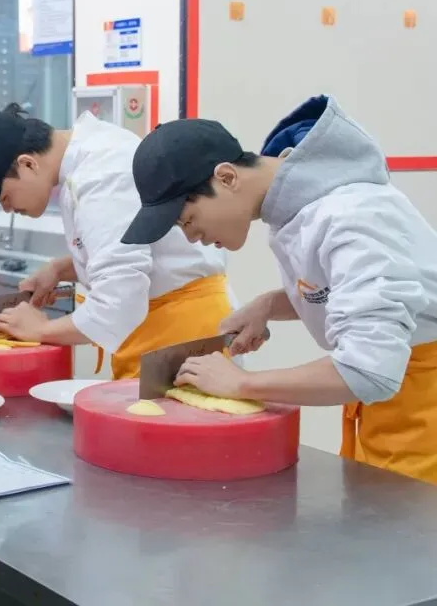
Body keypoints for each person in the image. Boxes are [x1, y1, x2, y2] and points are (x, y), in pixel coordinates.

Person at [121, 95, 437, 484]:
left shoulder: (352, 217)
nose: (192, 237)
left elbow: (369, 370)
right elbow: (353, 290)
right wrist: (269, 305)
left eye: (187, 219)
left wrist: (242, 384)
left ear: (227, 178)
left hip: (424, 409)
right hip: (390, 409)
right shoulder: (298, 210)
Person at [0, 104, 234, 379]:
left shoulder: (101, 176)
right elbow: (135, 250)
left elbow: (120, 300)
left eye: (4, 198)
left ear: (28, 163)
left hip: (182, 333)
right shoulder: (88, 159)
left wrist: (40, 330)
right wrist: (60, 270)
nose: (7, 209)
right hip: (160, 327)